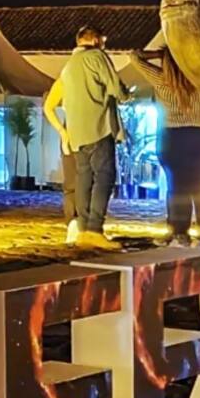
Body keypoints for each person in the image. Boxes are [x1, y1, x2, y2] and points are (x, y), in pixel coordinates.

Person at [43, 26, 127, 250]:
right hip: (98, 129)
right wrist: (126, 94)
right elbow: (116, 87)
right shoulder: (97, 56)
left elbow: (48, 106)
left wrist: (63, 132)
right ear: (97, 40)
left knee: (83, 181)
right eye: (103, 40)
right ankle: (94, 229)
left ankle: (82, 227)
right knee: (104, 177)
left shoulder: (68, 67)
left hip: (76, 136)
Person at [131, 43, 200, 247]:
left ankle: (180, 232)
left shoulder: (161, 78)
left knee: (177, 186)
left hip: (175, 135)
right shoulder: (198, 76)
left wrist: (159, 54)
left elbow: (134, 57)